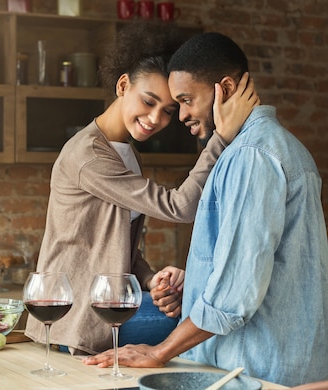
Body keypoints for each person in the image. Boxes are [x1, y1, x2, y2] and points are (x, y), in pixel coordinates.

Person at [83, 32, 328, 387]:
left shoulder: (251, 157)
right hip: (270, 362)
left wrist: (159, 351)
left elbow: (233, 296)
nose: (180, 115)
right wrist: (197, 279)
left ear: (224, 89)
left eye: (185, 100)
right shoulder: (277, 146)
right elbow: (266, 262)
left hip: (253, 369)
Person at [24, 24, 258, 356]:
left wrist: (151, 280)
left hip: (108, 302)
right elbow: (178, 207)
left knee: (204, 321)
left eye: (168, 111)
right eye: (148, 102)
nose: (155, 118)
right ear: (123, 85)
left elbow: (112, 245)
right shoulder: (89, 156)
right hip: (79, 319)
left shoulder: (126, 152)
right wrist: (221, 136)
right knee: (208, 326)